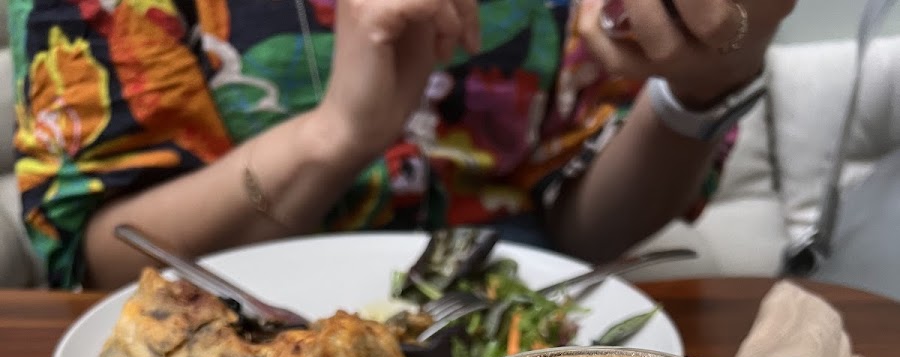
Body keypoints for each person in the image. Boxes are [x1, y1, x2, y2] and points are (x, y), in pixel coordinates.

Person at [10, 0, 793, 291]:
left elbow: (582, 232)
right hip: (220, 352)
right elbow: (98, 261)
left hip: (522, 344)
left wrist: (700, 88)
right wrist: (332, 137)